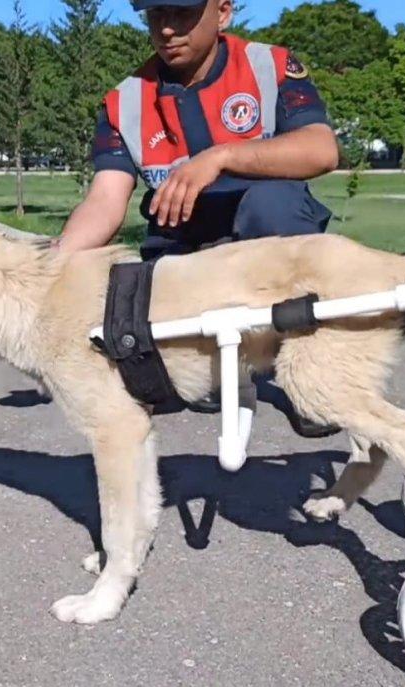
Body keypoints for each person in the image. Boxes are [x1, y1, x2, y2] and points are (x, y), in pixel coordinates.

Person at [51, 0, 341, 436]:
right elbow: (105, 201)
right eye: (155, 16)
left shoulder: (270, 66)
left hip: (264, 241)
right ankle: (211, 364)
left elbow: (321, 150)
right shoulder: (124, 102)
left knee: (273, 204)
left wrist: (220, 157)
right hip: (185, 253)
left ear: (222, 12)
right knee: (141, 292)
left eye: (183, 13)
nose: (167, 30)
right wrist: (54, 264)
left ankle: (308, 375)